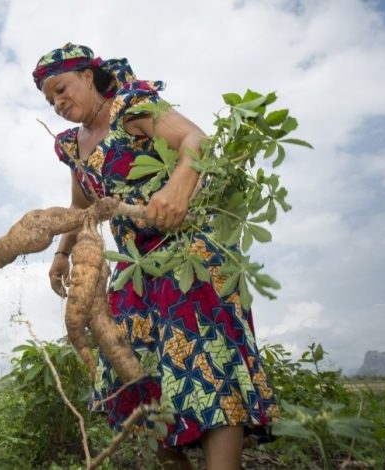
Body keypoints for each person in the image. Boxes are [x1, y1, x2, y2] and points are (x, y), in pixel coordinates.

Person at [32, 43, 278, 470]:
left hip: (188, 255)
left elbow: (195, 139)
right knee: (138, 379)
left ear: (88, 77)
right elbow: (80, 208)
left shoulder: (131, 107)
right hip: (135, 270)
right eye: (50, 99)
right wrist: (62, 253)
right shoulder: (73, 146)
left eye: (61, 88)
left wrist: (179, 186)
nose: (57, 103)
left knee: (208, 365)